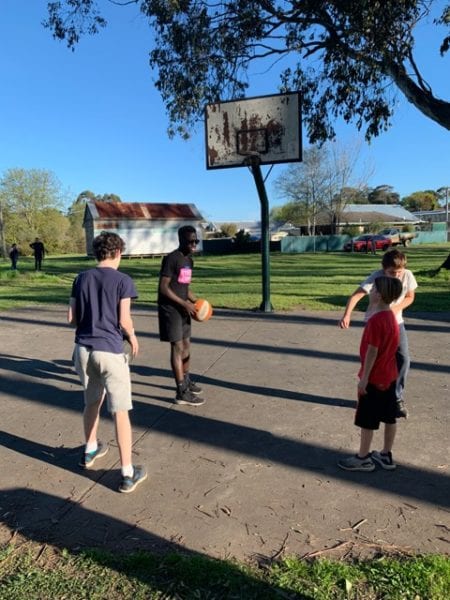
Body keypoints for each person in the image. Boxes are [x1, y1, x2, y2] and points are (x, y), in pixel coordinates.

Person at [67, 231, 147, 493]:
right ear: (118, 253)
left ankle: (90, 449)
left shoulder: (80, 278)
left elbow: (71, 318)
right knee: (120, 411)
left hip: (83, 350)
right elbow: (124, 320)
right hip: (110, 351)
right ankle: (127, 473)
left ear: (97, 253)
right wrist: (133, 337)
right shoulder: (124, 281)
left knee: (91, 401)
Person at [339, 249, 417, 419]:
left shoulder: (407, 275)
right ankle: (365, 393)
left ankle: (396, 398)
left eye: (399, 272)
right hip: (376, 323)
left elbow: (410, 297)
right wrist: (347, 315)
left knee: (403, 359)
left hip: (397, 324)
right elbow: (357, 295)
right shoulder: (376, 277)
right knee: (371, 359)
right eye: (391, 272)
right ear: (383, 269)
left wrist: (394, 309)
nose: (396, 275)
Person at [338, 276, 403, 472]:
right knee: (390, 417)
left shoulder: (376, 321)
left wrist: (364, 378)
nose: (370, 292)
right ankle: (386, 454)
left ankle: (363, 457)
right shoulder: (392, 317)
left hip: (375, 378)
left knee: (367, 419)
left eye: (373, 289)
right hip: (390, 376)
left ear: (379, 295)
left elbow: (372, 351)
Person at [158, 225, 205, 406]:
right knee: (177, 347)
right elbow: (164, 287)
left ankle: (186, 380)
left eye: (196, 241)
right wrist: (184, 303)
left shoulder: (189, 261)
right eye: (190, 241)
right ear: (181, 240)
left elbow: (184, 287)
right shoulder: (172, 259)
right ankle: (181, 391)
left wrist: (198, 301)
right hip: (170, 309)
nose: (194, 244)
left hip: (183, 309)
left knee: (186, 345)